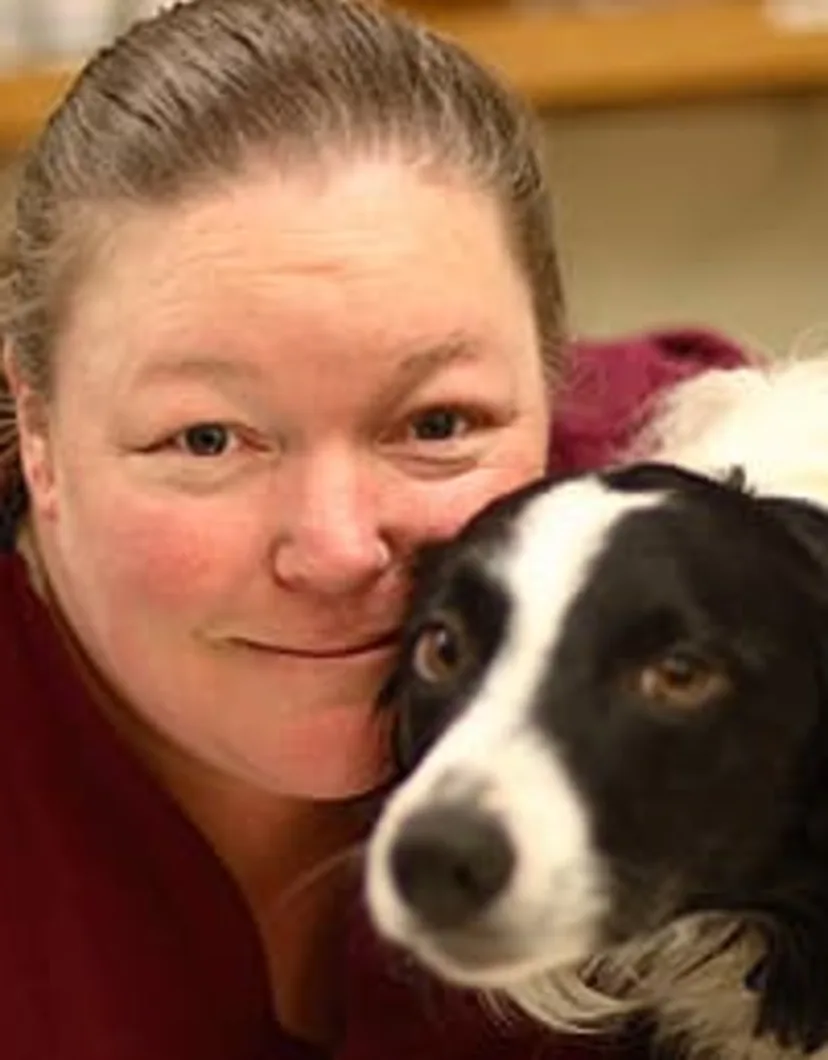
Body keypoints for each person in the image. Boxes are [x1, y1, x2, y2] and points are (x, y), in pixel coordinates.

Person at [0, 0, 746, 1057]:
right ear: (38, 430)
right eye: (208, 440)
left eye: (437, 424)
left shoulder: (703, 515)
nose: (340, 547)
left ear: (551, 386)